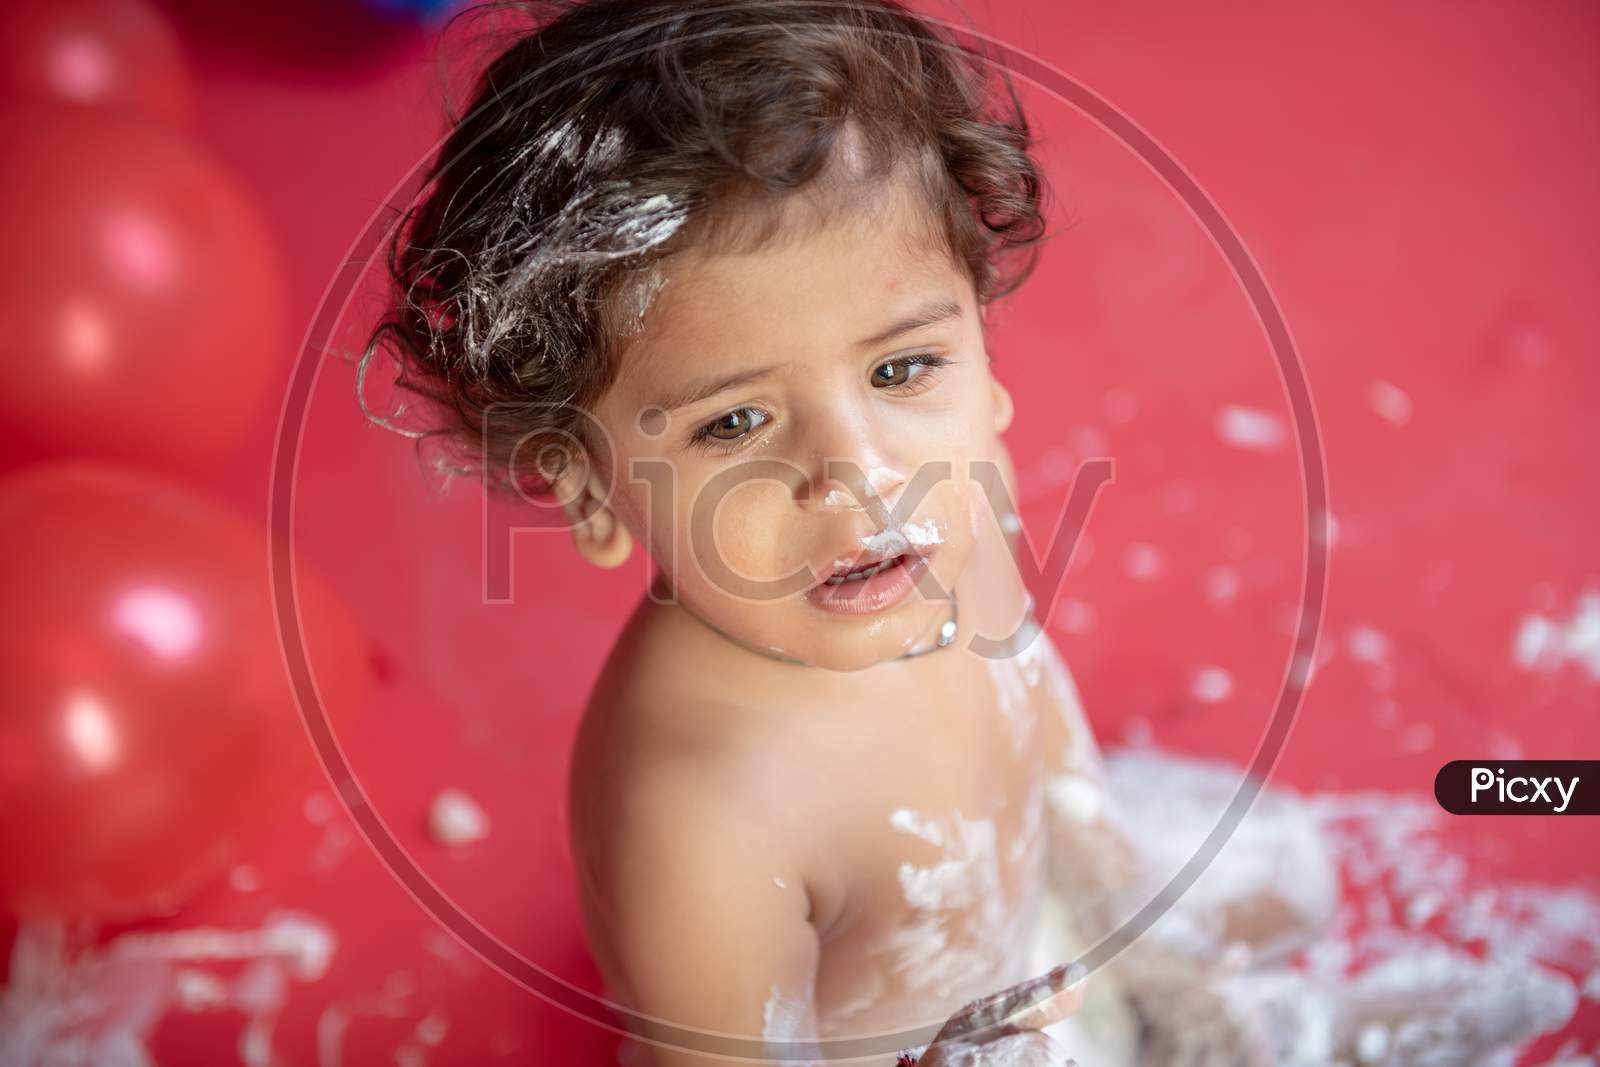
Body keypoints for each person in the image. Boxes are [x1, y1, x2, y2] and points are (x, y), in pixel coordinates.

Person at [361, 2, 1576, 1063]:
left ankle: (1221, 1017)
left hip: (1035, 942)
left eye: (902, 367)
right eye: (734, 419)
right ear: (582, 481)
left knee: (1278, 874)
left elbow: (1034, 707)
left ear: (984, 356)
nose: (863, 472)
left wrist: (1112, 892)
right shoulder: (705, 816)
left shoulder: (944, 519)